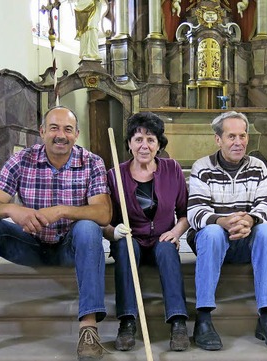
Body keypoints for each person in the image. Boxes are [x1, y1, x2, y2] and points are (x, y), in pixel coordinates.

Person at [0, 106, 112, 361]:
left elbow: (103, 214)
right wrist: (13, 209)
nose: (60, 135)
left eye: (67, 129)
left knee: (89, 228)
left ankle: (88, 329)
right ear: (42, 131)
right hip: (29, 244)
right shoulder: (22, 159)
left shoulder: (92, 162)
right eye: (54, 128)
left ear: (76, 134)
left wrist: (62, 211)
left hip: (70, 247)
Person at [187, 111, 267, 351]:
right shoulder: (203, 167)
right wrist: (222, 221)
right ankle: (203, 319)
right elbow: (195, 211)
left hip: (246, 237)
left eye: (242, 135)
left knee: (266, 232)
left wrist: (250, 220)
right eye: (231, 136)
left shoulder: (257, 167)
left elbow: (265, 205)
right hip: (212, 240)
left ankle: (266, 318)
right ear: (218, 139)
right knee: (212, 233)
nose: (238, 142)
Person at [102, 112, 190, 352]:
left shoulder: (172, 170)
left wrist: (176, 231)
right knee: (123, 247)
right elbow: (103, 222)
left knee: (167, 249)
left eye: (151, 139)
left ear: (159, 144)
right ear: (129, 144)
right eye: (138, 138)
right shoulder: (114, 176)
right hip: (132, 239)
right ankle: (127, 322)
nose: (144, 145)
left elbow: (185, 214)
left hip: (162, 237)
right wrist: (114, 232)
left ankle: (178, 322)